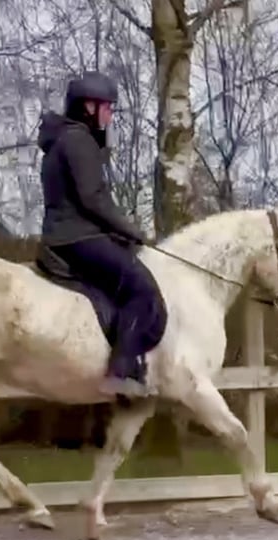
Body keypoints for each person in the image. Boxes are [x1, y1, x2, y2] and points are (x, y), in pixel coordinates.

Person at [35, 71, 164, 397]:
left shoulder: (60, 141)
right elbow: (93, 199)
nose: (110, 115)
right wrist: (130, 230)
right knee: (143, 291)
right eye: (106, 107)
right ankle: (121, 370)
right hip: (77, 238)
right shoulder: (78, 141)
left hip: (66, 234)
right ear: (87, 108)